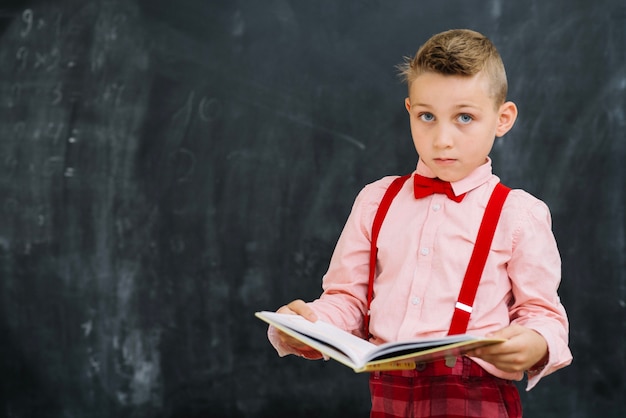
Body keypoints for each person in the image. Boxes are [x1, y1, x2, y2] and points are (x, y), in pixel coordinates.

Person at [265, 29, 572, 418]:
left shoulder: (519, 213)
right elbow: (347, 301)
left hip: (476, 399)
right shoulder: (376, 201)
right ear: (409, 110)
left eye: (464, 117)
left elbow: (543, 314)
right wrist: (310, 327)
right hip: (389, 394)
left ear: (502, 118)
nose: (442, 139)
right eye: (427, 116)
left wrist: (535, 342)